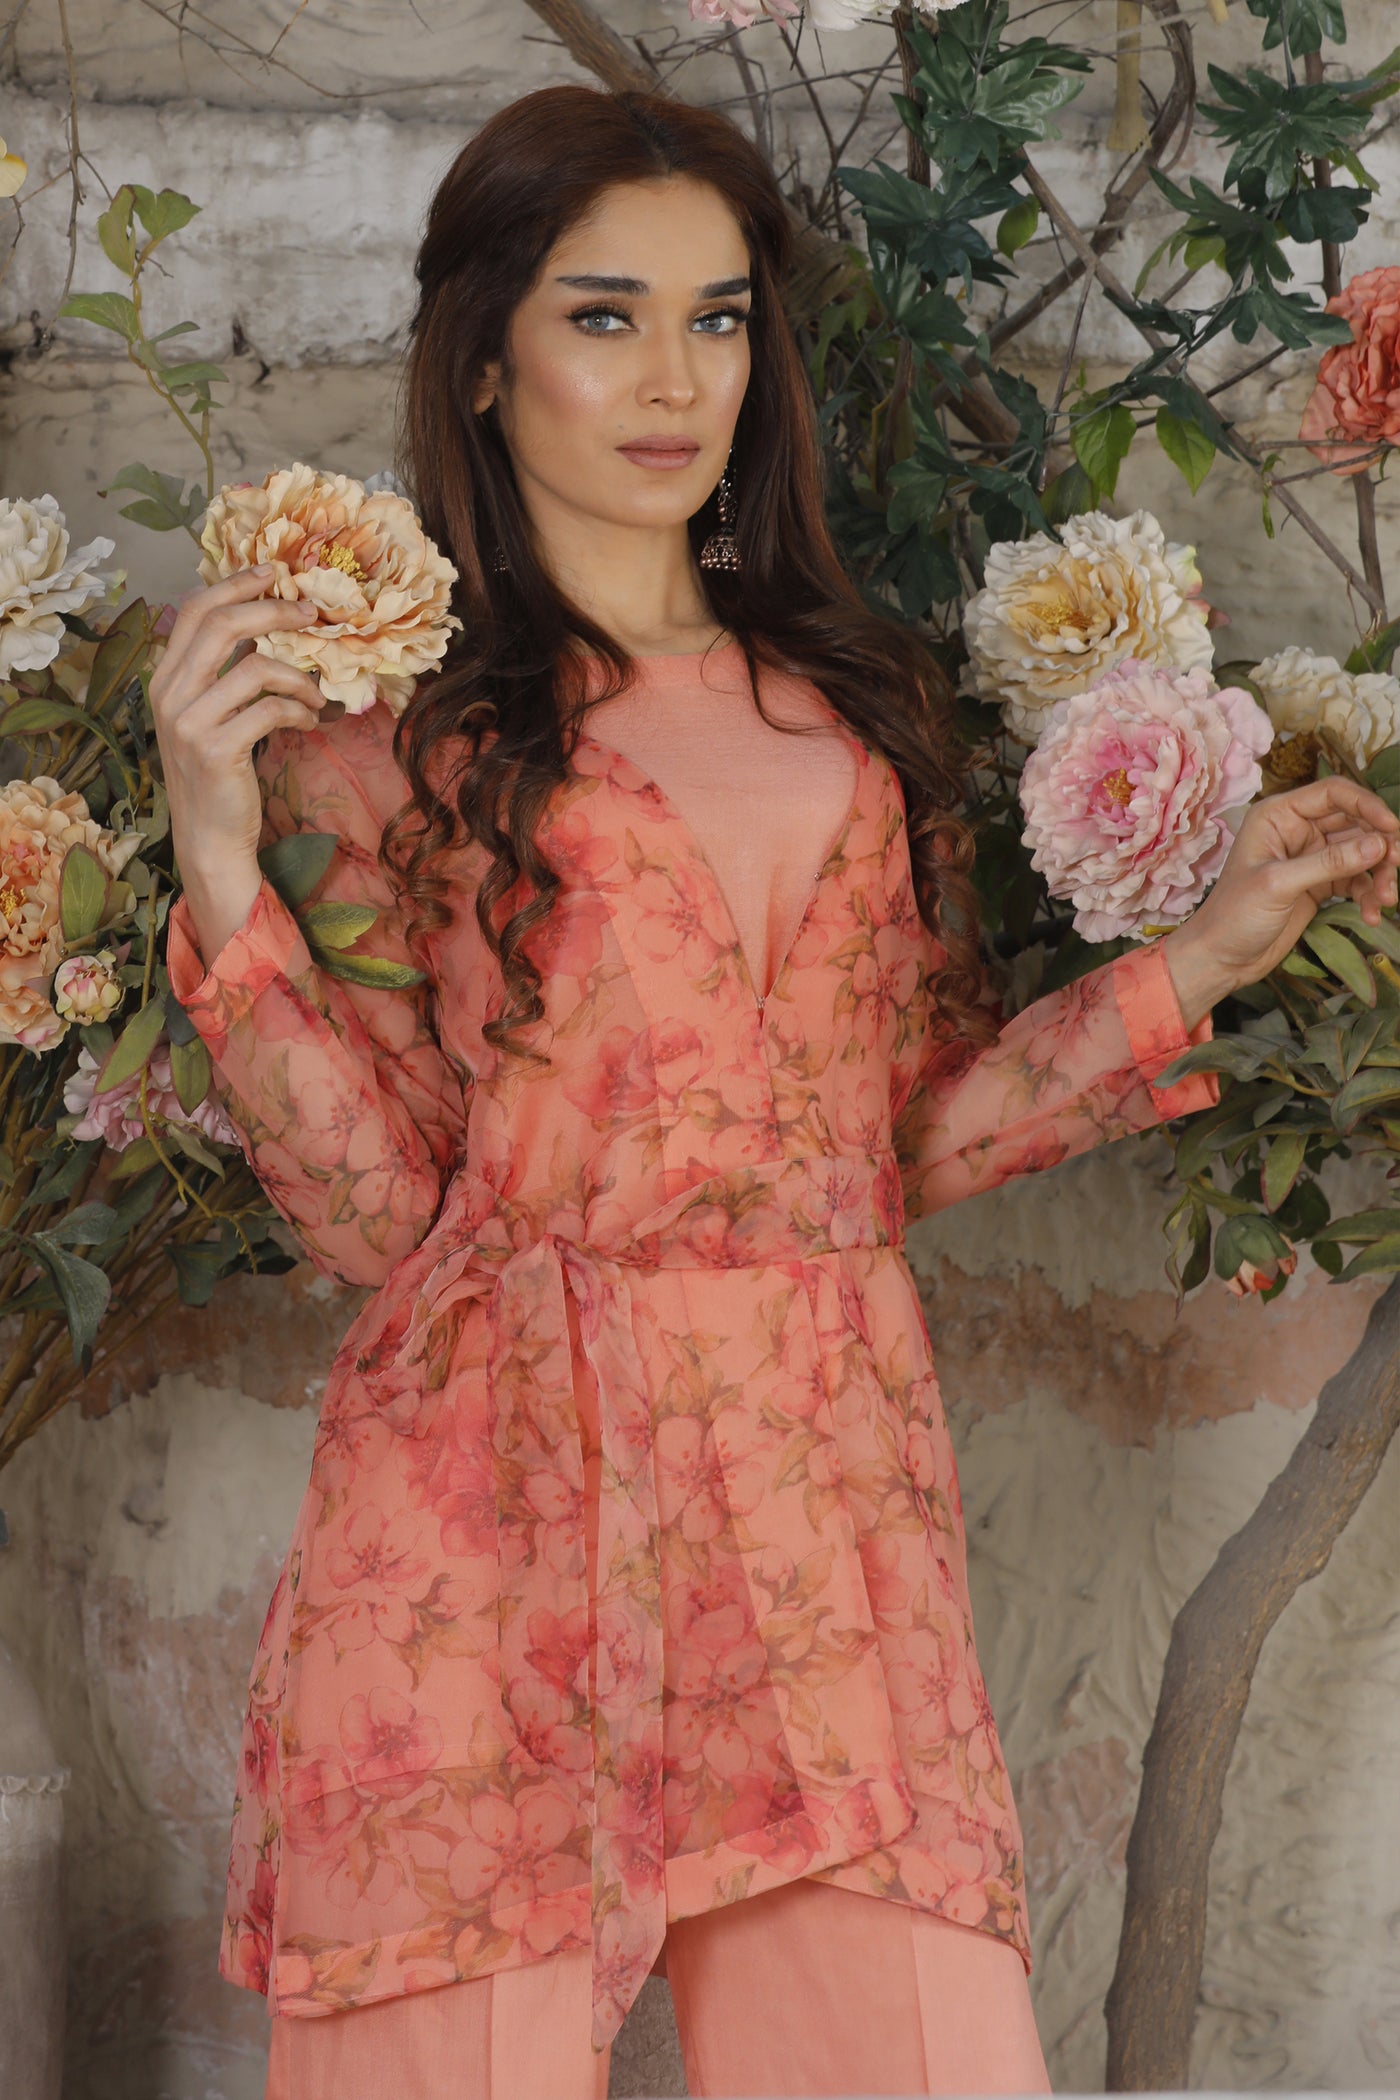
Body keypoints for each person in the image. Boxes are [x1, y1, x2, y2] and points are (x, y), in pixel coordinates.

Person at [150, 84, 1400, 2100]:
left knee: (913, 2055)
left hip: (822, 1507)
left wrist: (1210, 951)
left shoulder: (849, 715)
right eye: (605, 315)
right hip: (486, 1513)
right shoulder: (382, 746)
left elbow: (885, 1146)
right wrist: (220, 860)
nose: (675, 379)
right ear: (483, 359)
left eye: (717, 318)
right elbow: (376, 1221)